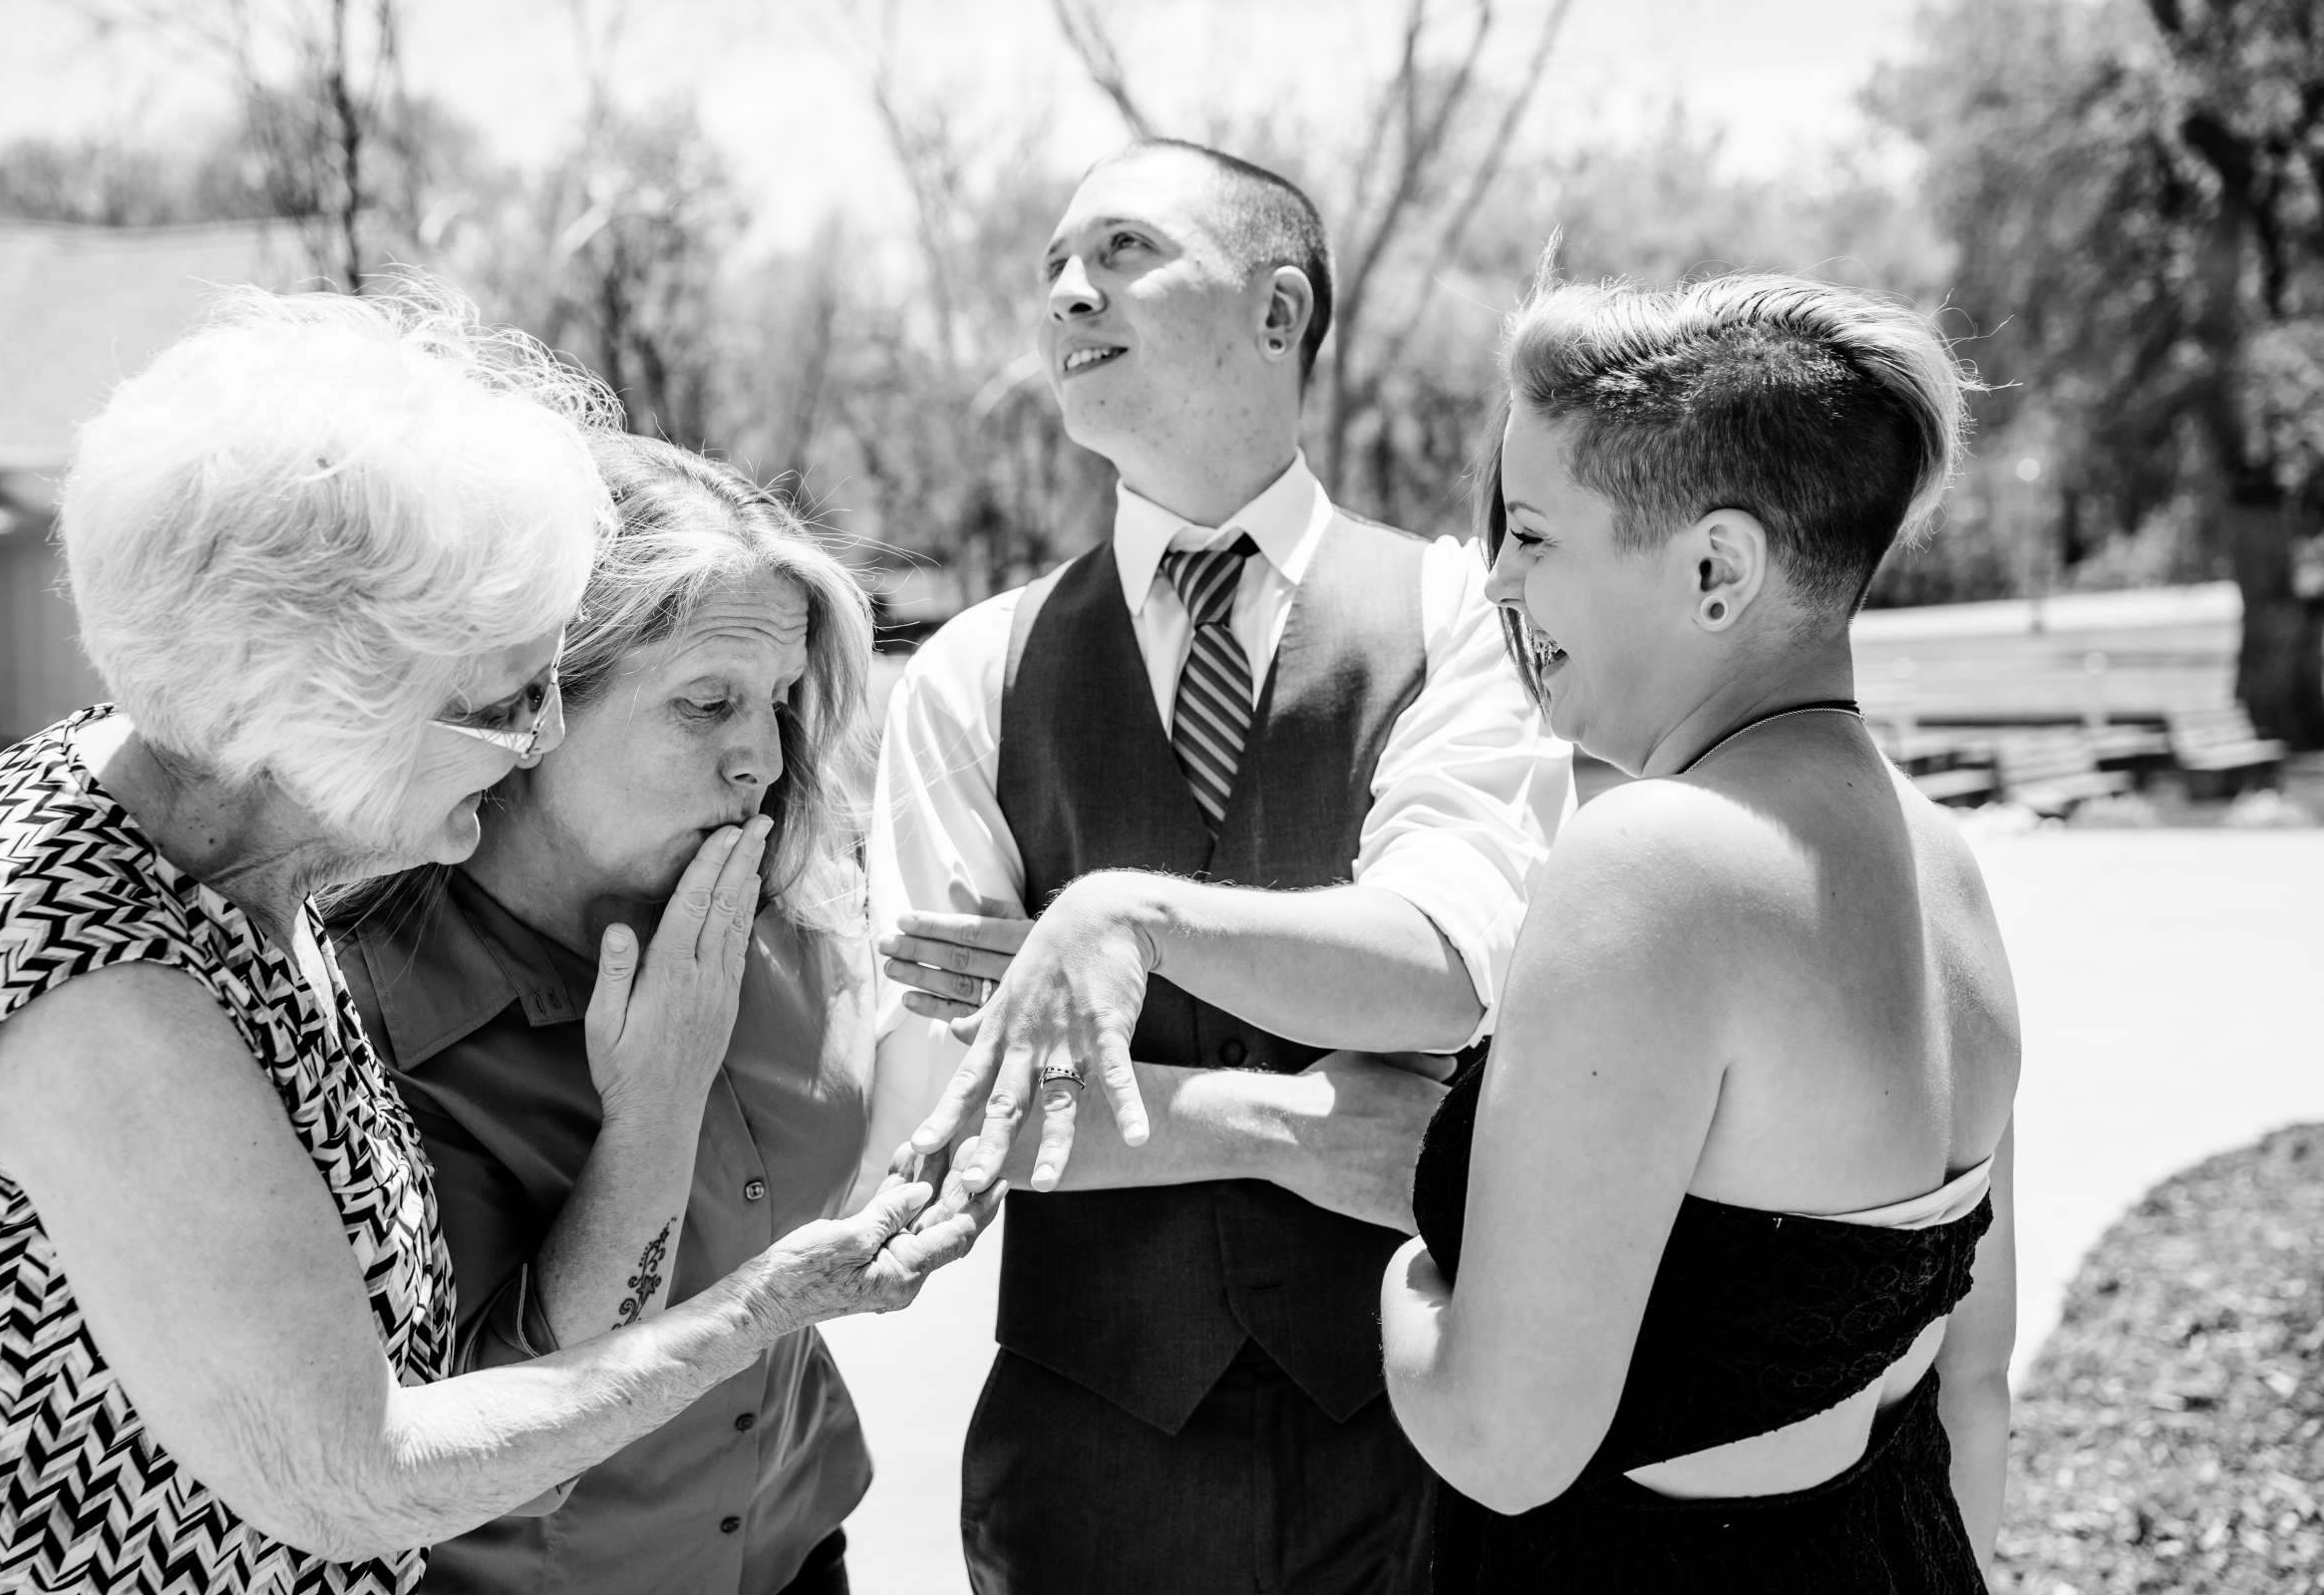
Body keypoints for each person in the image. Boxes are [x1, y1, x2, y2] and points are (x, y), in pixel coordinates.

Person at [0, 284, 997, 1595]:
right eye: (501, 701)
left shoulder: (230, 835)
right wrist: (761, 1302)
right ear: (315, 698)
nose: (535, 742)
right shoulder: (94, 986)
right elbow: (356, 1475)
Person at [873, 139, 1574, 1594]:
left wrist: (1114, 944)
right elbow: (940, 1109)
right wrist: (1293, 1124)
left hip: (1410, 1451)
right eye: (1053, 268)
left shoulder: (1456, 615)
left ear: (1277, 311)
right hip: (1086, 1479)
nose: (1068, 293)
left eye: (1124, 251)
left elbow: (1441, 971)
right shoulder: (970, 675)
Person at [1381, 270, 2018, 1590]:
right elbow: (1978, 1390)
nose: (1496, 576)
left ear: (1716, 568)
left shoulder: (1652, 862)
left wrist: (1404, 1279)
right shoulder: (1943, 864)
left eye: (1536, 536)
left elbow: (1502, 1441)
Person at [331, 434, 883, 1595]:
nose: (765, 760)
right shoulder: (361, 1012)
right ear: (535, 706)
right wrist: (656, 1111)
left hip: (801, 1552)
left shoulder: (780, 902)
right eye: (706, 703)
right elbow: (487, 1465)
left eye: (779, 701)